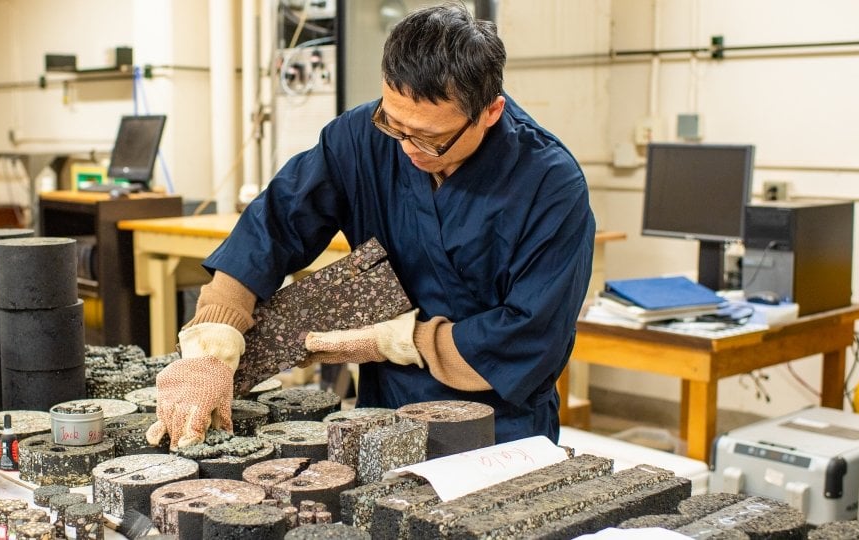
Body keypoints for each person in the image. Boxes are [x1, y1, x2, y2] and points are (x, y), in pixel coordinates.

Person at [146, 2, 595, 450]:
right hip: (386, 408)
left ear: (490, 112)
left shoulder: (550, 184)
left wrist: (395, 341)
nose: (407, 149)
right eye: (394, 124)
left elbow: (531, 335)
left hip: (499, 422)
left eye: (432, 139)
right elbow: (274, 224)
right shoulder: (361, 137)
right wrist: (214, 336)